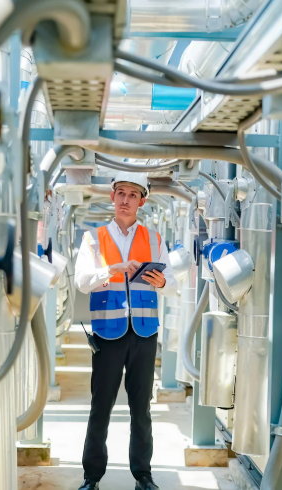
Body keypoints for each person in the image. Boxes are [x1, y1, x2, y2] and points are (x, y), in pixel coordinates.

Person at [74, 171, 178, 490]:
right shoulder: (94, 239)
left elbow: (173, 285)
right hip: (107, 333)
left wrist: (164, 282)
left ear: (142, 202)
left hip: (144, 334)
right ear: (112, 196)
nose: (125, 200)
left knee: (141, 409)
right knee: (101, 406)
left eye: (133, 195)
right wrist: (112, 270)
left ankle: (143, 476)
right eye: (121, 193)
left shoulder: (154, 239)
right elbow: (81, 282)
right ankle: (92, 477)